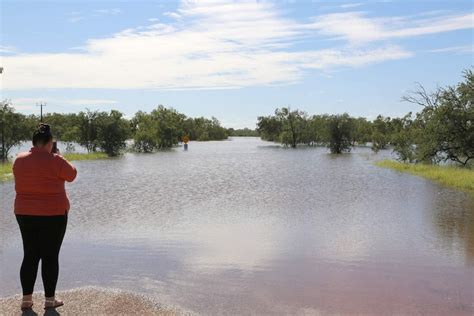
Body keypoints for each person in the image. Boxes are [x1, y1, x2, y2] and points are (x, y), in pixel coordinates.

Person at [13, 123, 77, 311]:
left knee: (30, 255)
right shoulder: (56, 160)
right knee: (50, 256)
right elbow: (72, 174)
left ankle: (26, 300)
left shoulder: (19, 160)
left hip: (24, 213)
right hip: (54, 215)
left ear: (33, 142)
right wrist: (57, 156)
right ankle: (49, 301)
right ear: (50, 142)